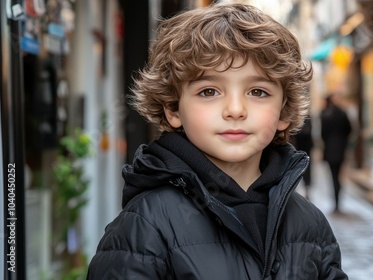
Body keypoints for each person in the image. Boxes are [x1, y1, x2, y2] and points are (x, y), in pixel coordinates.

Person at [87, 3, 347, 279]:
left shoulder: (310, 223)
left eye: (257, 92)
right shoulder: (146, 225)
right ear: (174, 108)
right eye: (209, 91)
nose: (235, 109)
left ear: (284, 111)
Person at [320, 93, 352, 213]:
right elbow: (350, 129)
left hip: (329, 150)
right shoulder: (343, 113)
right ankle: (338, 199)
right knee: (338, 175)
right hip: (341, 149)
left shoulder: (325, 114)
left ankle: (336, 200)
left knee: (333, 175)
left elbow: (323, 133)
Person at [291, 116, 314, 199]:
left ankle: (306, 189)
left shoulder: (306, 117)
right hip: (296, 149)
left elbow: (307, 132)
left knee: (306, 172)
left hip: (305, 149)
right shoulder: (294, 117)